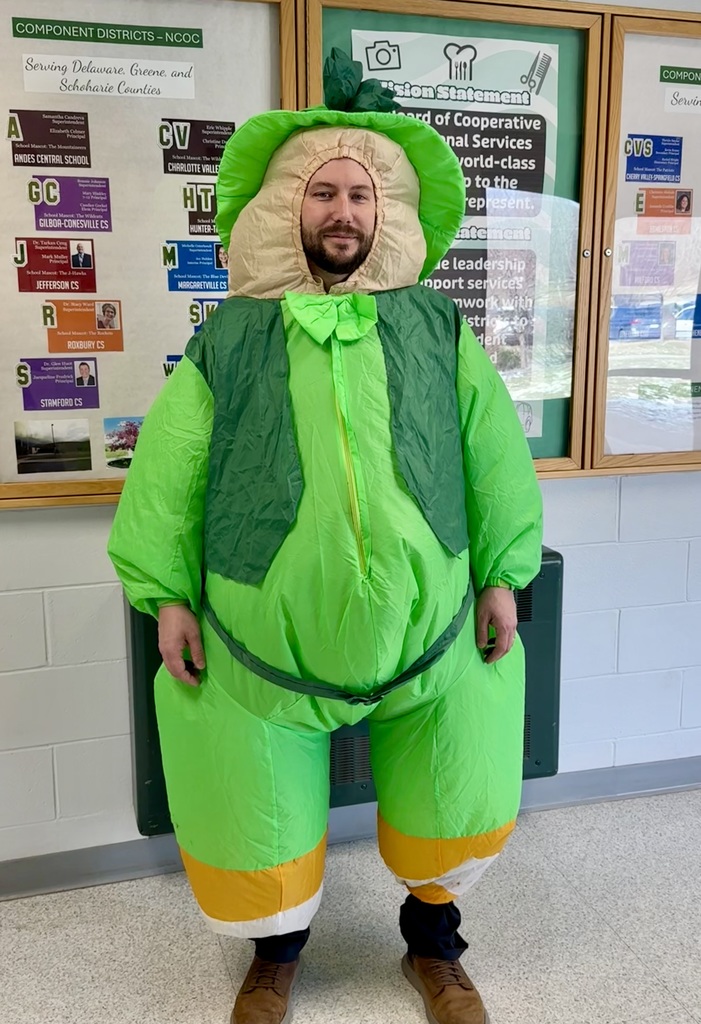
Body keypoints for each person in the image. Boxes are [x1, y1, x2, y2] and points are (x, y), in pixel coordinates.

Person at [108, 50, 542, 1024]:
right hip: (263, 642)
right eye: (319, 192)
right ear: (284, 208)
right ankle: (275, 956)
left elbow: (490, 455)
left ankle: (433, 951)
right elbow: (171, 467)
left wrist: (502, 574)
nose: (340, 210)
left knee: (452, 785)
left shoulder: (438, 331)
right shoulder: (230, 338)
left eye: (357, 192)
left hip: (429, 625)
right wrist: (166, 593)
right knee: (256, 803)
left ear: (384, 208)